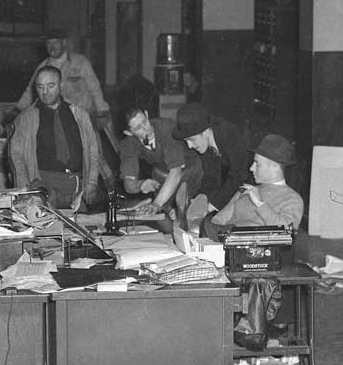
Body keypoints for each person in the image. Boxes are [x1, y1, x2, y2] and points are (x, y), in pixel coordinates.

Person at [203, 133, 304, 350]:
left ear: (275, 167)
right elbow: (218, 223)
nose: (251, 169)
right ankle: (242, 332)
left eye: (256, 164)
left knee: (260, 278)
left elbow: (284, 232)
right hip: (230, 256)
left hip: (263, 262)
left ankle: (249, 331)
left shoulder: (292, 199)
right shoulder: (244, 192)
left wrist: (259, 203)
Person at [6, 65, 103, 212]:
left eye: (51, 86)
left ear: (61, 85)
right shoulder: (25, 119)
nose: (45, 92)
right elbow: (16, 156)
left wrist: (91, 183)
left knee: (79, 230)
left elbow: (93, 150)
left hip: (77, 188)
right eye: (40, 87)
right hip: (43, 187)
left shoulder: (80, 115)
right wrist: (26, 190)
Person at [170, 103, 256, 224]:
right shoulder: (205, 143)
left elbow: (238, 176)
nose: (189, 146)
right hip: (242, 186)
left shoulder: (230, 134)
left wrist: (210, 207)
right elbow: (211, 179)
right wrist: (193, 204)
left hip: (261, 183)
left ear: (205, 131)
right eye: (186, 141)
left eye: (192, 140)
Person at [117, 106, 204, 226]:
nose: (146, 128)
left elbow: (176, 172)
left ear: (147, 115)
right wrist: (140, 185)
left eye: (144, 121)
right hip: (163, 175)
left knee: (190, 218)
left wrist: (157, 203)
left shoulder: (166, 129)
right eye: (138, 128)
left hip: (192, 172)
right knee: (166, 220)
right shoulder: (128, 144)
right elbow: (128, 184)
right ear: (129, 133)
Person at [13, 35, 109, 123]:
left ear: (64, 42)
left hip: (83, 117)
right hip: (58, 119)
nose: (52, 46)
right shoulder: (43, 66)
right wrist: (17, 110)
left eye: (56, 42)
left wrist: (101, 112)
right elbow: (30, 91)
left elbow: (95, 88)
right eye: (49, 43)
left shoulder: (81, 62)